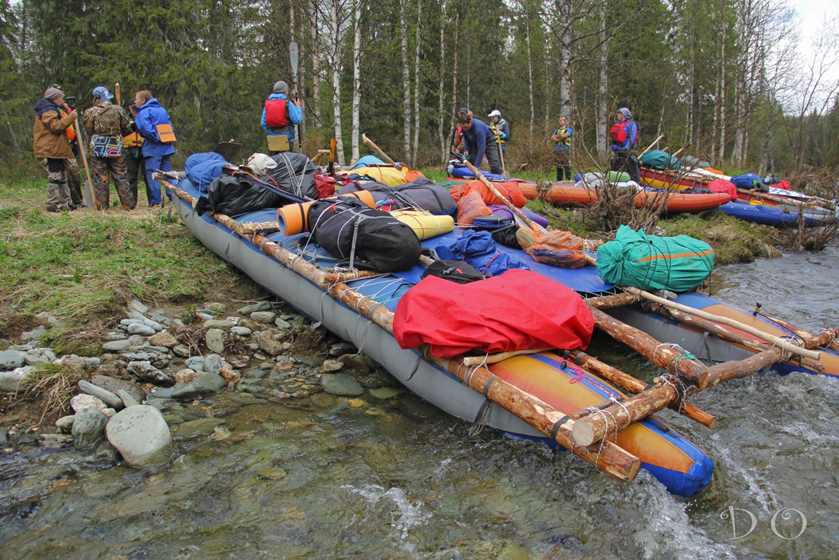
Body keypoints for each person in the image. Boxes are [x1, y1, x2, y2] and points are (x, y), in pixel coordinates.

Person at [83, 86, 135, 209]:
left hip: (98, 147)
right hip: (115, 146)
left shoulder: (90, 112)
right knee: (121, 175)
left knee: (100, 177)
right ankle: (128, 205)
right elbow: (127, 129)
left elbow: (88, 131)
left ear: (96, 98)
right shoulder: (118, 110)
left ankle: (102, 207)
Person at [32, 86, 77, 212]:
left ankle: (64, 203)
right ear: (55, 98)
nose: (63, 100)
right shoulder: (47, 110)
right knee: (55, 176)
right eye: (61, 97)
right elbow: (55, 127)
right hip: (50, 149)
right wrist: (71, 117)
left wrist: (67, 112)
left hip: (56, 148)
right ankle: (53, 204)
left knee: (62, 176)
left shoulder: (54, 108)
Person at [133, 90, 176, 207]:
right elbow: (169, 126)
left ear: (143, 100)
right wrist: (164, 139)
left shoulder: (143, 112)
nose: (135, 101)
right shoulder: (162, 110)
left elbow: (144, 128)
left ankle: (156, 202)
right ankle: (175, 198)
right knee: (168, 174)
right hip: (166, 147)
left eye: (136, 99)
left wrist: (156, 138)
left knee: (153, 175)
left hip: (153, 148)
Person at [455, 108, 502, 175]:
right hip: (473, 141)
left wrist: (477, 166)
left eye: (466, 127)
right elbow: (466, 138)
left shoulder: (478, 129)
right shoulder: (463, 128)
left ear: (470, 122)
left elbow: (481, 148)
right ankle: (472, 177)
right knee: (471, 160)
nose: (465, 129)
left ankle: (499, 175)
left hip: (489, 140)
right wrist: (467, 150)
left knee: (494, 166)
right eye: (464, 127)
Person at [261, 80, 303, 153]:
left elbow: (263, 124)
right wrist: (298, 107)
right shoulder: (287, 103)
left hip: (272, 141)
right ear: (286, 91)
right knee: (286, 162)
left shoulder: (268, 104)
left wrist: (271, 133)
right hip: (286, 141)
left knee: (274, 163)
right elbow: (297, 120)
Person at [124, 103, 149, 204]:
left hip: (145, 147)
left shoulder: (146, 115)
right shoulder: (125, 117)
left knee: (148, 176)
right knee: (131, 176)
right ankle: (132, 202)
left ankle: (153, 202)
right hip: (130, 148)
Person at [609, 107, 640, 183]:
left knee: (631, 169)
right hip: (618, 152)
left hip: (627, 152)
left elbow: (632, 138)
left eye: (620, 114)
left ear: (624, 115)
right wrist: (614, 148)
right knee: (615, 169)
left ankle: (635, 183)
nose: (618, 115)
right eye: (618, 114)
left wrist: (626, 148)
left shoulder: (631, 124)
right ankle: (615, 184)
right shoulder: (618, 124)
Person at [550, 115, 574, 181]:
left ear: (565, 121)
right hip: (557, 150)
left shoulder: (569, 129)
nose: (560, 122)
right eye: (559, 120)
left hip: (565, 149)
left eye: (562, 120)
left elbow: (565, 135)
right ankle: (559, 180)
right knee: (558, 165)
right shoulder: (556, 130)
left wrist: (558, 137)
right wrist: (559, 137)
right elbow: (552, 138)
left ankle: (568, 179)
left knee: (566, 164)